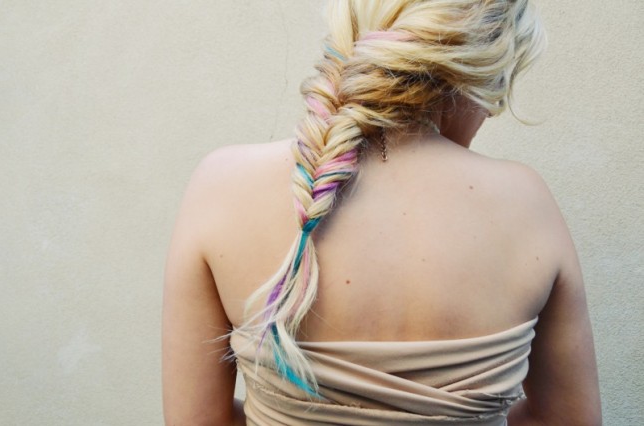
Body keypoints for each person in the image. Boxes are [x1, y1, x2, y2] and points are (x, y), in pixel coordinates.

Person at [162, 1, 601, 424]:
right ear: (471, 73)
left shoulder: (221, 186)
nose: (489, 112)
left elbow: (198, 421)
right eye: (498, 88)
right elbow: (566, 420)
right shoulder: (527, 204)